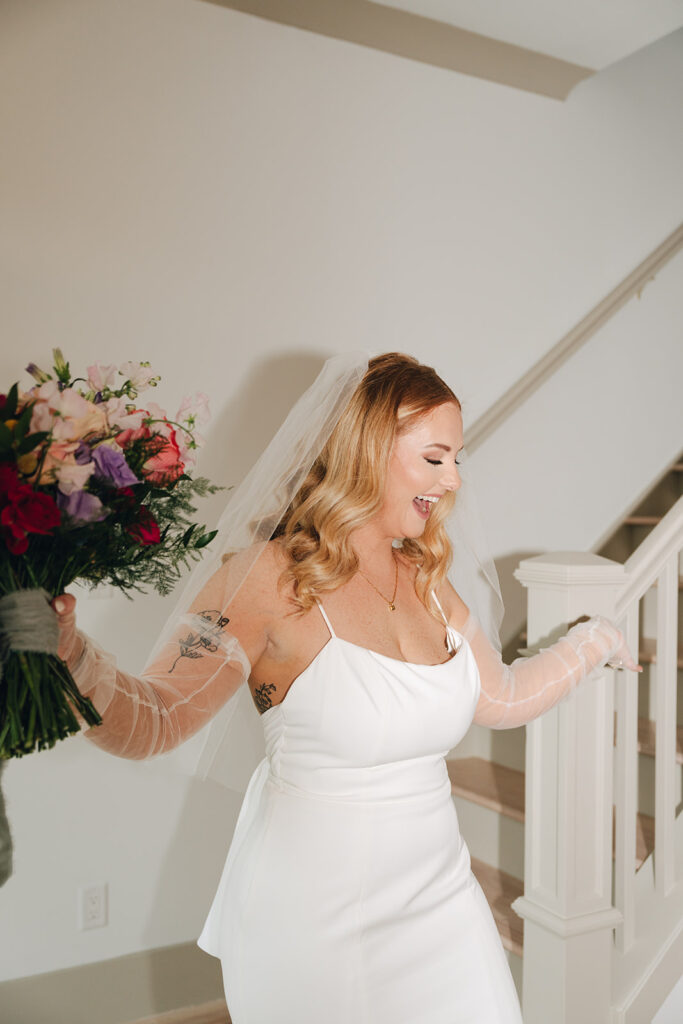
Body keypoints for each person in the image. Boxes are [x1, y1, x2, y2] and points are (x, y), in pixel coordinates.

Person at [53, 352, 640, 1024]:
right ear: (367, 453)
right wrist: (67, 651)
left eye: (456, 459)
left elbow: (498, 698)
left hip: (441, 899)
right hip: (312, 922)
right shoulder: (265, 578)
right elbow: (155, 720)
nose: (452, 481)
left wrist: (591, 640)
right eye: (435, 458)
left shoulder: (426, 579)